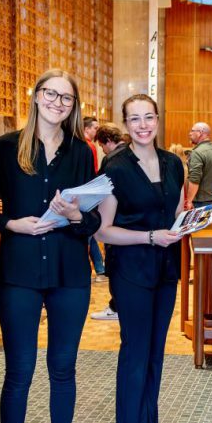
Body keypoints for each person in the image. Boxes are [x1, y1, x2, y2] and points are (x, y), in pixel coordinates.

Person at [0, 69, 100, 423]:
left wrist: (73, 215)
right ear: (35, 97)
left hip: (69, 270)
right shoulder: (9, 146)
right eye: (51, 93)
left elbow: (92, 222)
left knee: (64, 369)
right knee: (20, 371)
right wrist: (11, 222)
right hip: (20, 271)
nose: (57, 102)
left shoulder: (82, 152)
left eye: (66, 98)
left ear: (74, 106)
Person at [95, 94, 185, 423]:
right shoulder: (114, 167)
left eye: (149, 117)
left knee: (155, 353)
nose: (143, 125)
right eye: (135, 119)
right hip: (131, 268)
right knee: (136, 352)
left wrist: (185, 225)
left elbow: (177, 211)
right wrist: (149, 237)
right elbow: (103, 231)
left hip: (166, 268)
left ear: (158, 119)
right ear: (126, 125)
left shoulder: (173, 163)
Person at [89, 125, 127, 322]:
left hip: (114, 220)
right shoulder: (134, 153)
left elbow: (100, 189)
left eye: (102, 146)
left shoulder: (111, 160)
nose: (103, 150)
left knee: (114, 265)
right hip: (132, 221)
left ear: (107, 141)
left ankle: (116, 307)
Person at [82, 117, 107, 282]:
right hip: (88, 194)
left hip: (87, 194)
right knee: (89, 234)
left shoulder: (87, 145)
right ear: (87, 128)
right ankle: (99, 269)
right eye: (95, 128)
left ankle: (99, 268)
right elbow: (93, 172)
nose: (97, 131)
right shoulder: (88, 146)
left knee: (89, 234)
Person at [185, 122, 212, 209]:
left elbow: (194, 179)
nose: (189, 133)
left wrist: (189, 201)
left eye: (192, 131)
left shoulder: (197, 152)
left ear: (200, 132)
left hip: (202, 203)